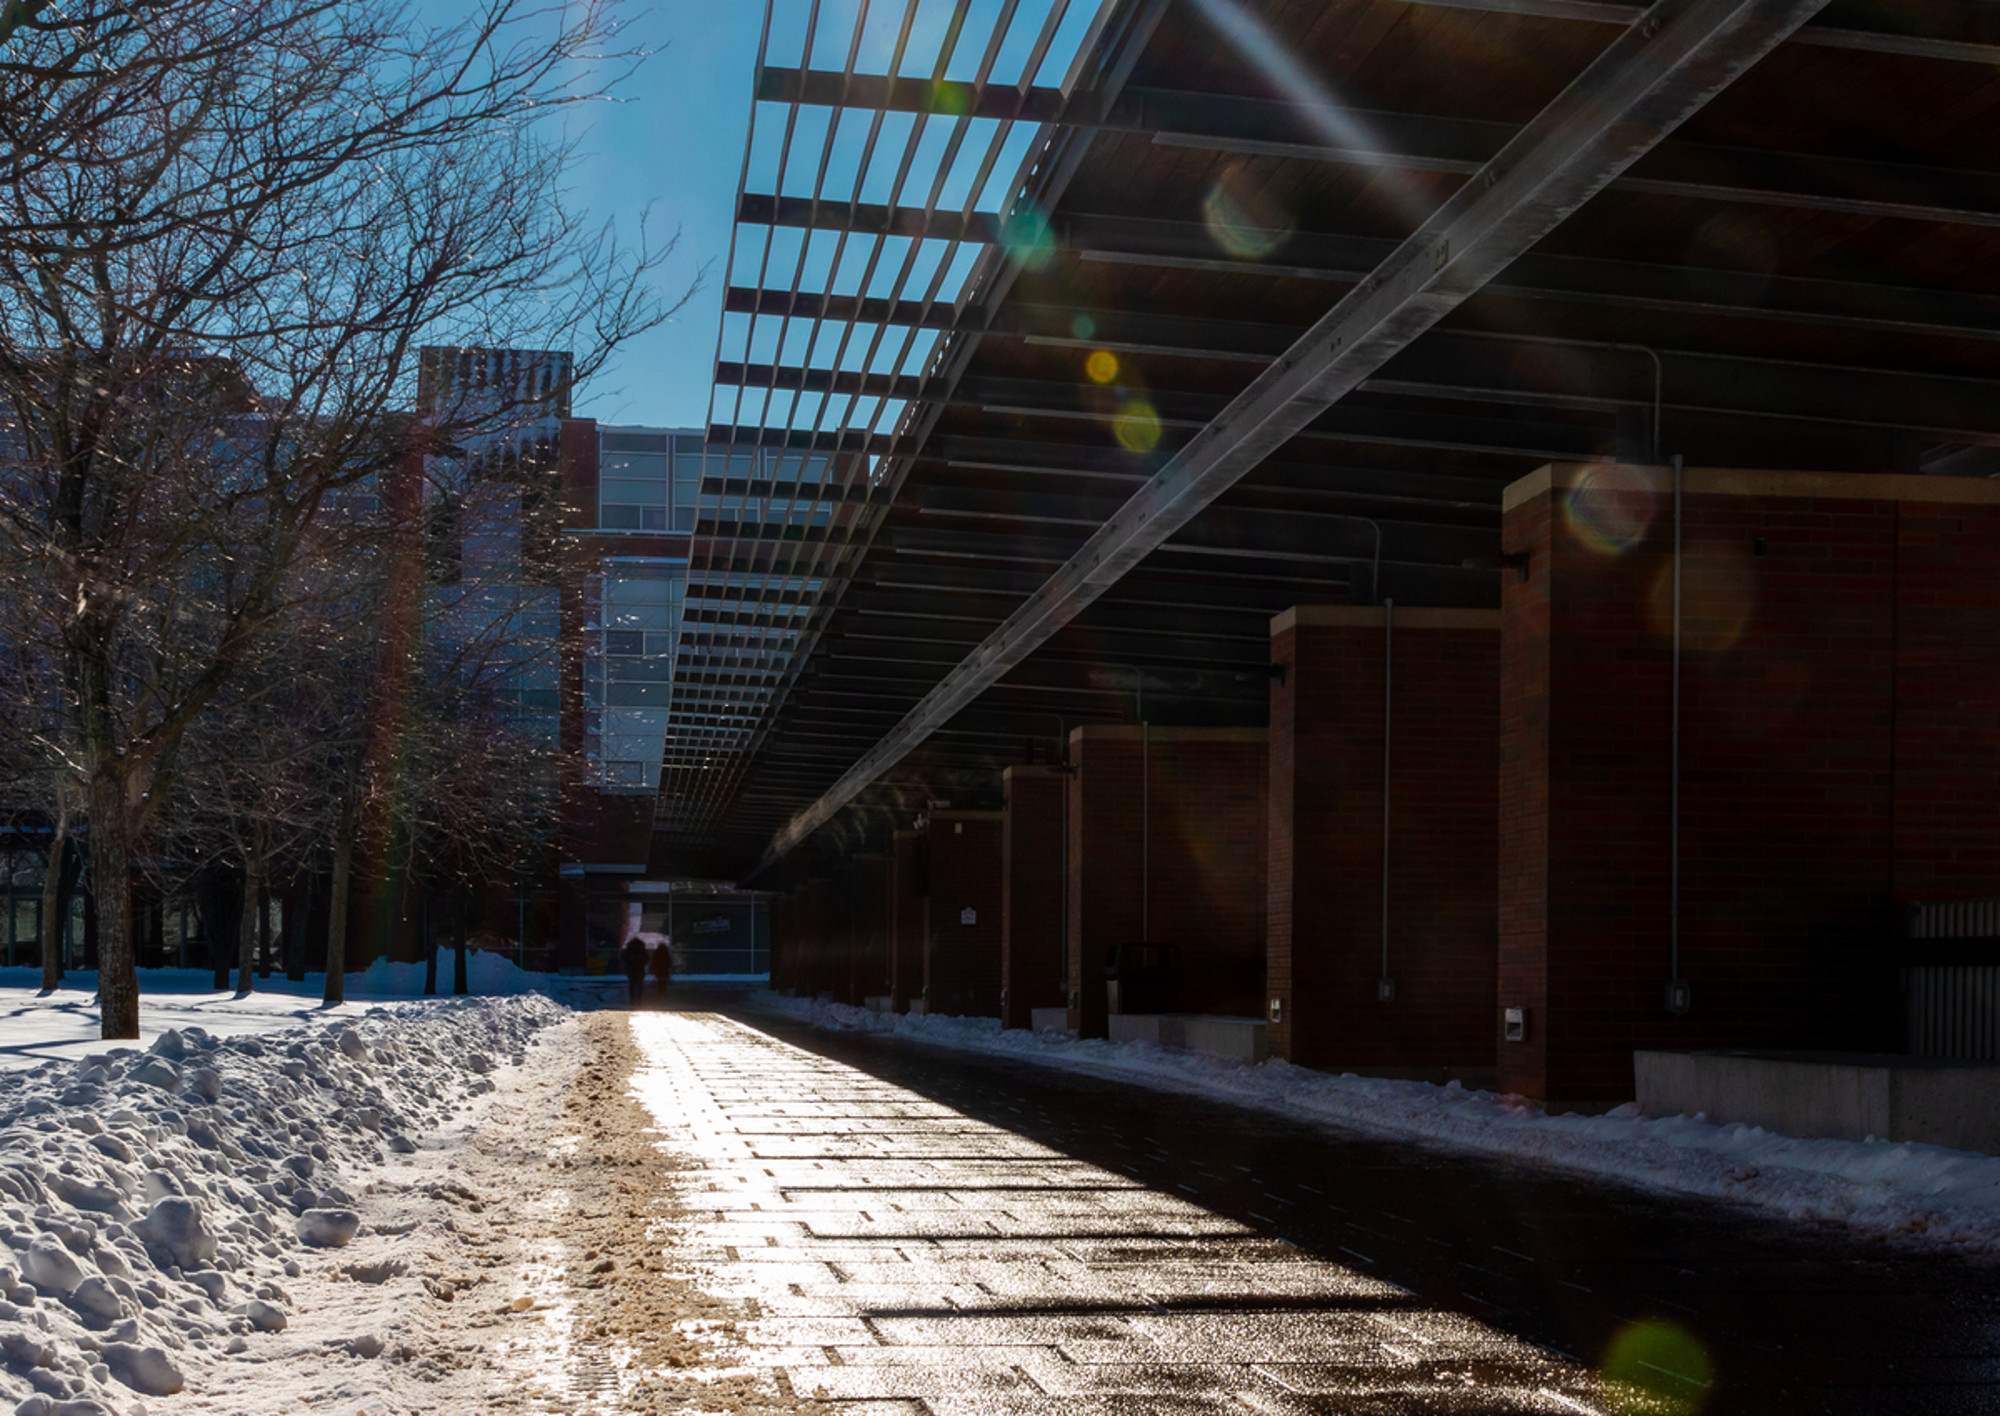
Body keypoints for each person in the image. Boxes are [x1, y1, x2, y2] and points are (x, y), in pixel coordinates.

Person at [621, 935, 648, 1008]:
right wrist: (641, 964)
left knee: (632, 986)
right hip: (639, 970)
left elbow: (624, 958)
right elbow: (646, 959)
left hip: (631, 970)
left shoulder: (629, 949)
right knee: (639, 986)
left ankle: (632, 1000)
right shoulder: (642, 949)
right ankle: (639, 1000)